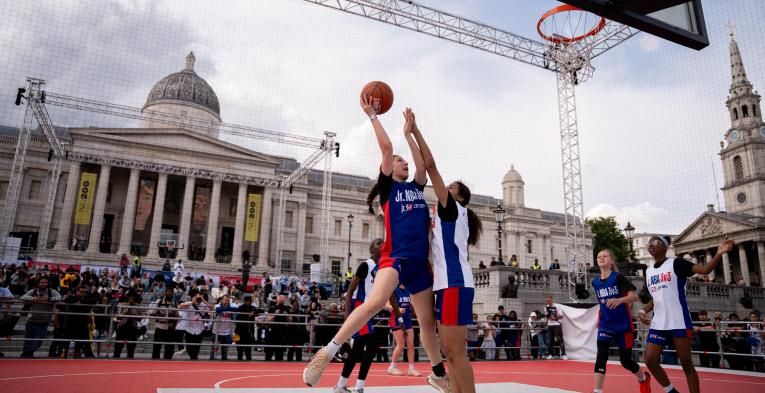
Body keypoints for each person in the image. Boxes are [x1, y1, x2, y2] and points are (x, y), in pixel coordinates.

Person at [303, 102, 448, 392]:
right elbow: (385, 147)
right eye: (400, 161)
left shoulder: (416, 188)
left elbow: (424, 166)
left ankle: (439, 373)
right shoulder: (388, 189)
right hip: (394, 257)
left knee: (427, 322)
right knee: (372, 303)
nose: (405, 163)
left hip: (420, 263)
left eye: (404, 160)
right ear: (388, 168)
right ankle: (328, 352)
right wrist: (373, 116)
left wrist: (411, 132)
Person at [411, 106, 483, 391]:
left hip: (454, 283)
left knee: (454, 353)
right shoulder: (447, 215)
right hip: (448, 284)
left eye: (451, 186)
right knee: (449, 353)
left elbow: (430, 167)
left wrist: (414, 131)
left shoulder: (451, 209)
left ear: (459, 196)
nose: (446, 187)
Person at [638, 236, 734, 393]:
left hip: (678, 321)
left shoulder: (676, 263)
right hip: (659, 323)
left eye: (656, 243)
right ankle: (670, 390)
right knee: (649, 360)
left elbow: (705, 270)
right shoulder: (648, 271)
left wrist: (719, 253)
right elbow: (655, 298)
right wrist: (643, 310)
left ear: (665, 247)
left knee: (686, 363)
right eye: (650, 243)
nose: (651, 245)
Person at [333, 238, 396, 393]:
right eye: (377, 243)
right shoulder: (365, 265)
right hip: (359, 307)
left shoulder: (385, 268)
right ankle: (359, 387)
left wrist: (399, 316)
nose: (381, 245)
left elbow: (391, 294)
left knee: (357, 352)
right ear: (371, 250)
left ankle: (341, 385)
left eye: (383, 243)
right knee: (372, 345)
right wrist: (348, 317)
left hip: (369, 310)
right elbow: (350, 291)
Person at [591, 249, 651, 393]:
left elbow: (634, 296)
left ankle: (643, 378)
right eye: (599, 256)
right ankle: (597, 391)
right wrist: (598, 317)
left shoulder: (618, 278)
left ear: (611, 261)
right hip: (605, 324)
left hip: (623, 325)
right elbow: (603, 302)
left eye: (604, 256)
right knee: (601, 357)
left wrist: (619, 300)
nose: (601, 258)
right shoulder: (595, 282)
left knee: (625, 361)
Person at [20, 277, 62, 358]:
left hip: (44, 322)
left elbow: (60, 297)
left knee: (37, 342)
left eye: (46, 282)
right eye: (42, 282)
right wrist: (33, 298)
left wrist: (49, 299)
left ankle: (25, 355)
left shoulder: (51, 291)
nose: (44, 284)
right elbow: (22, 297)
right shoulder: (33, 291)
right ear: (38, 283)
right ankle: (26, 358)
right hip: (31, 321)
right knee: (27, 342)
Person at [388, 285, 418, 377]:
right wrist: (398, 309)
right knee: (400, 345)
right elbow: (386, 304)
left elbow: (412, 304)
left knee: (411, 345)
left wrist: (413, 307)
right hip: (396, 320)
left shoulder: (409, 290)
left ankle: (411, 369)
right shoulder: (394, 290)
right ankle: (392, 367)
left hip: (407, 320)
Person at [149, 288, 178, 360]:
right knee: (157, 347)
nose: (170, 294)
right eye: (168, 292)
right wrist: (160, 315)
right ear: (165, 292)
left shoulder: (174, 303)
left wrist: (174, 322)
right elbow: (151, 313)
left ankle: (167, 363)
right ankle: (155, 363)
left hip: (171, 328)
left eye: (171, 292)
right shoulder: (159, 302)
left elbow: (178, 315)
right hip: (160, 327)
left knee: (170, 348)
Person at [212, 294, 237, 360]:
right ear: (221, 300)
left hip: (227, 332)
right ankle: (212, 363)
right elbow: (218, 310)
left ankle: (224, 363)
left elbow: (236, 309)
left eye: (228, 300)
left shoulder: (232, 305)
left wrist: (225, 309)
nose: (226, 302)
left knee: (225, 351)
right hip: (216, 331)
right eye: (225, 300)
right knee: (214, 350)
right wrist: (228, 309)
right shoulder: (217, 305)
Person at [235, 295, 258, 361]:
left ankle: (249, 361)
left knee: (248, 349)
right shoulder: (240, 307)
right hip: (238, 331)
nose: (249, 302)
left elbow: (260, 310)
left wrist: (253, 312)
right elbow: (240, 311)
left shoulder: (253, 308)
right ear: (244, 301)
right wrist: (248, 314)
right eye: (248, 301)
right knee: (239, 349)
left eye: (250, 301)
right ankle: (239, 361)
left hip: (248, 332)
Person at [544, 294, 567, 359]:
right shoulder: (546, 307)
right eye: (547, 301)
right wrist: (549, 317)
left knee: (560, 339)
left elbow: (561, 316)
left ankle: (564, 354)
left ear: (551, 299)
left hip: (557, 324)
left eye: (549, 300)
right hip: (550, 325)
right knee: (550, 341)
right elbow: (547, 316)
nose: (548, 302)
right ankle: (551, 354)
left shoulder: (557, 306)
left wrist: (555, 317)